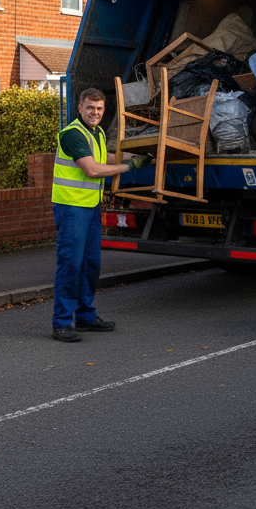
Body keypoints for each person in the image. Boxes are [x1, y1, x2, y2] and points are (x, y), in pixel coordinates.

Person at [51, 88, 147, 342]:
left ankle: (85, 317)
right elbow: (92, 169)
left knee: (90, 264)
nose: (95, 112)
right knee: (70, 265)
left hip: (90, 207)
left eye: (100, 108)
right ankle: (61, 323)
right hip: (72, 209)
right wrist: (128, 167)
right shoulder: (72, 134)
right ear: (80, 108)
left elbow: (104, 157)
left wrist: (134, 158)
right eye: (90, 107)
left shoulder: (97, 132)